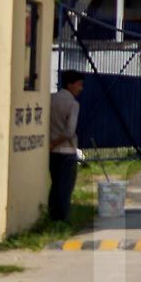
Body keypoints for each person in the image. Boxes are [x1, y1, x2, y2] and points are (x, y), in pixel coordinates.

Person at [48, 69, 85, 222]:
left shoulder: (51, 99)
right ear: (70, 85)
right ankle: (62, 219)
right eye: (79, 84)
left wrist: (50, 144)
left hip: (52, 151)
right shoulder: (73, 104)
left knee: (55, 185)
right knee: (65, 187)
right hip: (67, 151)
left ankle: (51, 216)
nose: (81, 88)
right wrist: (55, 142)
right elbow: (70, 131)